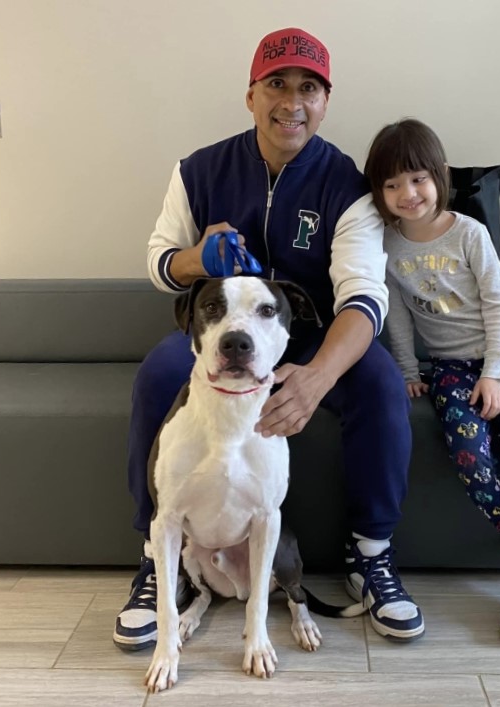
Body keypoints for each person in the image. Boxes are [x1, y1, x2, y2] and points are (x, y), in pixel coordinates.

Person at [113, 28, 425, 651]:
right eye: (276, 84)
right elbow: (157, 260)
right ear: (250, 95)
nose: (292, 101)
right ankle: (157, 561)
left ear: (326, 100)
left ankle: (372, 555)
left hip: (312, 333)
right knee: (155, 374)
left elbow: (364, 295)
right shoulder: (198, 169)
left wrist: (318, 376)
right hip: (223, 332)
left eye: (308, 87)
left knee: (383, 385)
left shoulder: (348, 185)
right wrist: (195, 258)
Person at [363, 118, 500, 643]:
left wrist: (494, 373)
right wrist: (408, 370)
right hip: (446, 369)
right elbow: (398, 316)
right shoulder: (387, 245)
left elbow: (499, 302)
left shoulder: (469, 233)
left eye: (417, 179)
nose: (407, 194)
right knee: (471, 459)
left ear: (437, 176)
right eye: (392, 185)